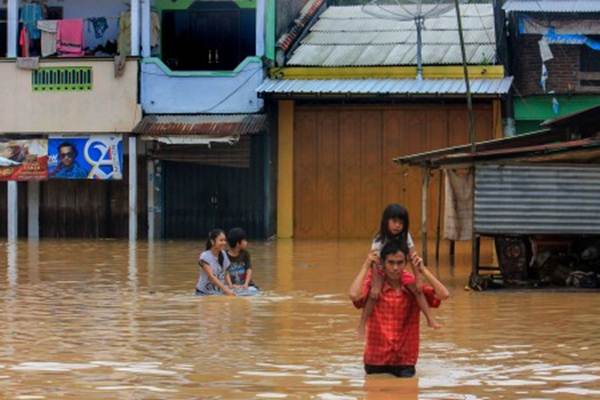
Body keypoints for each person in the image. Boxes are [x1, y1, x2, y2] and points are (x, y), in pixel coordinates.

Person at [349, 240, 449, 378]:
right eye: (391, 262)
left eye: (400, 263)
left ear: (406, 263)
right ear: (383, 263)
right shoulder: (374, 288)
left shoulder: (413, 288)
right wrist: (366, 266)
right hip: (376, 359)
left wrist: (423, 270)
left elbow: (444, 294)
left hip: (405, 360)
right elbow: (354, 295)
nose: (395, 268)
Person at [358, 204, 441, 337]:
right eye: (394, 222)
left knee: (417, 290)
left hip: (398, 270)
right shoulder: (379, 239)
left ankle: (430, 319)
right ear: (386, 222)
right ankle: (362, 324)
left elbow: (413, 257)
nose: (398, 226)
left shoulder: (405, 236)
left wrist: (418, 279)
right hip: (379, 269)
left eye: (401, 223)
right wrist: (375, 282)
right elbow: (373, 260)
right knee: (373, 294)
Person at [196, 229, 235, 296]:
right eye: (221, 240)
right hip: (203, 293)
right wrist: (226, 290)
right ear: (212, 241)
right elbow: (211, 277)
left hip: (217, 292)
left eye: (224, 240)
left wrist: (230, 286)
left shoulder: (223, 254)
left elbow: (226, 272)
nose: (224, 243)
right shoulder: (204, 256)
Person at [225, 227, 259, 293]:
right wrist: (231, 285)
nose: (246, 242)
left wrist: (246, 284)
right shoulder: (224, 256)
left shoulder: (245, 254)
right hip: (231, 286)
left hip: (246, 285)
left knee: (254, 291)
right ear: (238, 243)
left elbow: (249, 269)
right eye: (244, 240)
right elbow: (225, 272)